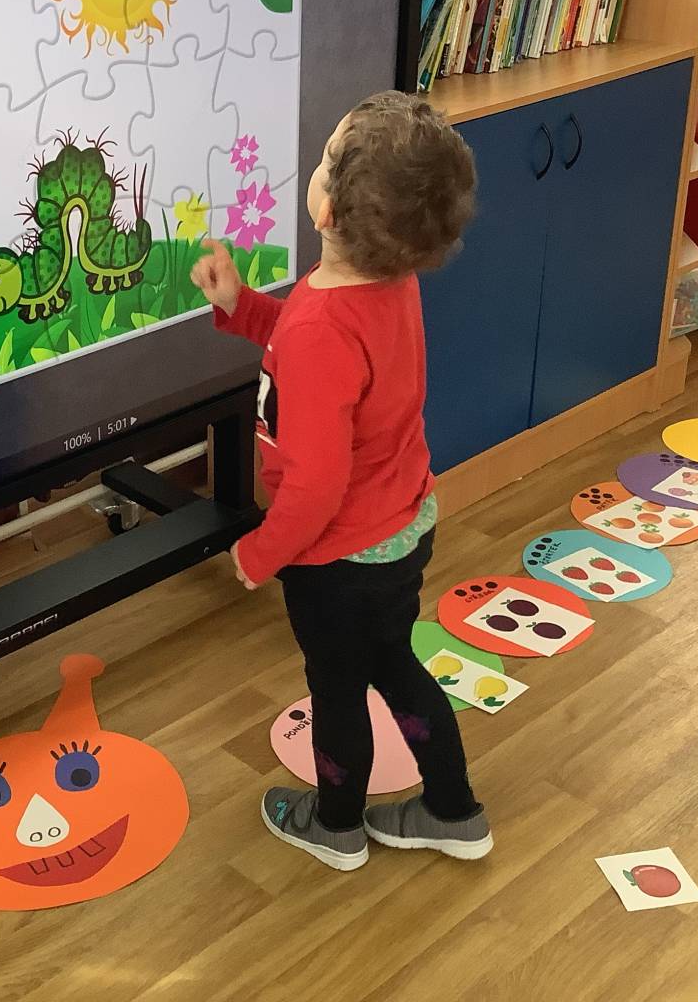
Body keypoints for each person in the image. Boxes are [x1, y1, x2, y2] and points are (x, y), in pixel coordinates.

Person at [191, 90, 488, 871]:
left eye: (326, 159)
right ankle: (453, 810)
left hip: (339, 561)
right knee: (394, 667)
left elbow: (316, 487)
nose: (316, 166)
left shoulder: (324, 323)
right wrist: (240, 306)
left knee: (337, 690)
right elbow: (301, 340)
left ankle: (336, 825)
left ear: (326, 211)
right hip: (401, 529)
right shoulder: (385, 281)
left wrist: (261, 553)